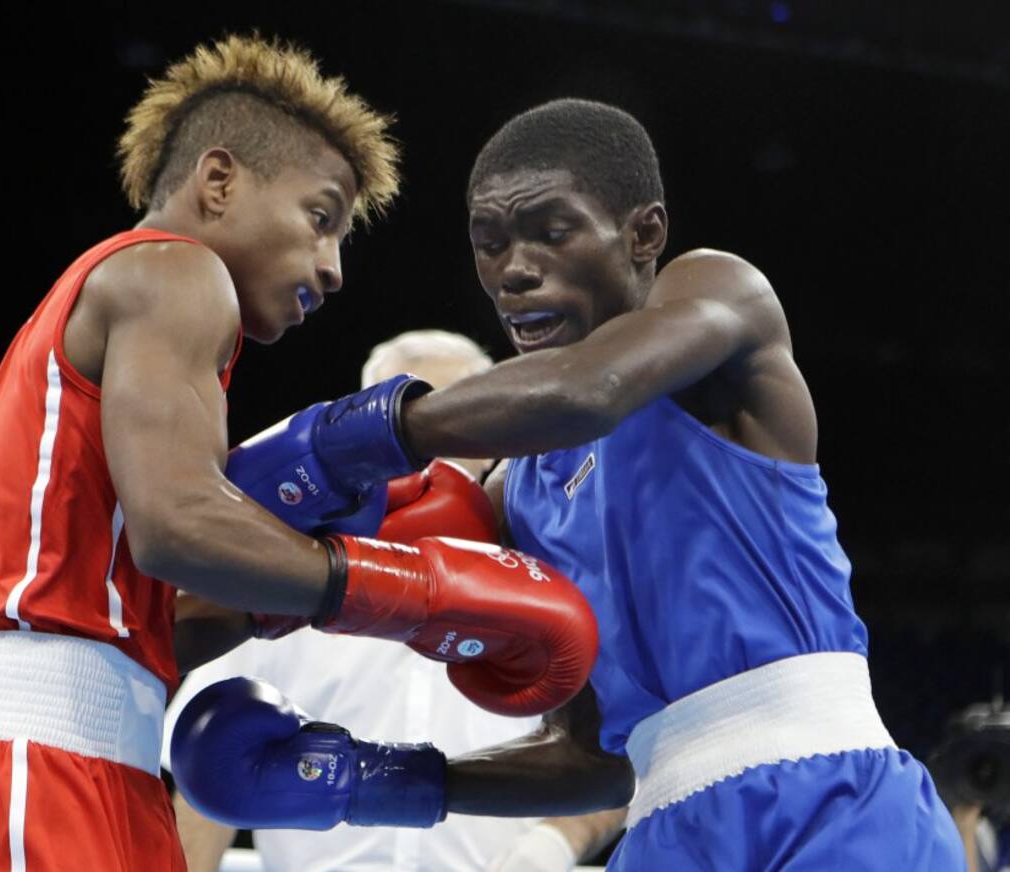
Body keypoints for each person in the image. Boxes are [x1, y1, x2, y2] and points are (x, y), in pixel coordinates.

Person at [176, 98, 966, 869]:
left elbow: (586, 391)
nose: (514, 271)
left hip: (833, 801)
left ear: (643, 233)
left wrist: (348, 438)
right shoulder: (519, 495)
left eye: (551, 233)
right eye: (489, 245)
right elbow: (594, 762)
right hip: (666, 832)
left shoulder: (722, 296)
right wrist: (373, 779)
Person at [0, 37, 601, 871]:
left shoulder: (146, 328)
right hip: (23, 770)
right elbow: (178, 528)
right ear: (218, 180)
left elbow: (152, 623)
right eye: (321, 218)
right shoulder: (172, 272)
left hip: (102, 769)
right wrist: (404, 590)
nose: (333, 268)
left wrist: (280, 600)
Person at [166, 329, 625, 871]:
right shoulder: (282, 577)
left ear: (491, 444)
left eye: (455, 421)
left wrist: (549, 848)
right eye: (407, 424)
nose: (425, 444)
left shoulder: (556, 580)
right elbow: (216, 769)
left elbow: (618, 752)